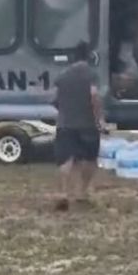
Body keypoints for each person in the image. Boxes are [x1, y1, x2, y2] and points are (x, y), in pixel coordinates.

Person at [53, 41, 106, 211]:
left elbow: (55, 100)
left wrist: (65, 110)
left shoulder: (62, 75)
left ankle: (63, 192)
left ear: (73, 57)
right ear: (89, 56)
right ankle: (82, 192)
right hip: (87, 124)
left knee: (65, 160)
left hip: (65, 124)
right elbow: (94, 96)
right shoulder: (91, 74)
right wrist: (99, 119)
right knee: (89, 159)